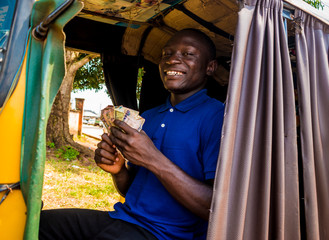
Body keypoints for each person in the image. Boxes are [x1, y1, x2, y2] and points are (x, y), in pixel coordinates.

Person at [40, 28, 225, 240]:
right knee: (35, 226)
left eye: (188, 54)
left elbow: (217, 210)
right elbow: (130, 191)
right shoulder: (149, 117)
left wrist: (153, 158)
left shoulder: (218, 118)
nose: (173, 60)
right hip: (124, 219)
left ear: (210, 67)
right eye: (167, 54)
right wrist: (118, 171)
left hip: (165, 235)